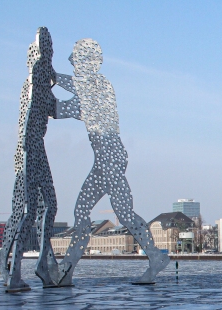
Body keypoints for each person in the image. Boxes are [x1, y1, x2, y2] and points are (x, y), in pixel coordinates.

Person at [53, 38, 169, 286]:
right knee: (123, 213)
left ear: (88, 62)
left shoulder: (97, 87)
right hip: (109, 157)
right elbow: (74, 86)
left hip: (109, 158)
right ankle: (155, 258)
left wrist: (44, 87)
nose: (72, 62)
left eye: (76, 58)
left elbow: (62, 109)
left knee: (84, 212)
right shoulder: (96, 85)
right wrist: (52, 77)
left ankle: (66, 270)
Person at [0, 27, 61, 291]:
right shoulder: (36, 80)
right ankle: (15, 272)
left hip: (34, 149)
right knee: (28, 211)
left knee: (45, 207)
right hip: (30, 150)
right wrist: (25, 152)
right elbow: (35, 114)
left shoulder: (42, 81)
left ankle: (23, 262)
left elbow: (56, 108)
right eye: (48, 49)